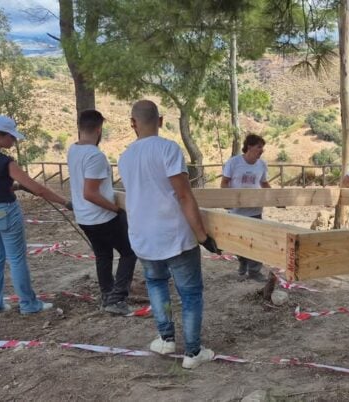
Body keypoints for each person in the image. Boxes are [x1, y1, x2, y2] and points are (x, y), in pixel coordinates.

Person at [118, 100, 221, 370]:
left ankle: (166, 339)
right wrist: (202, 235)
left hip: (142, 236)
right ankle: (193, 352)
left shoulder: (125, 156)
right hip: (175, 237)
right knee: (190, 294)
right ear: (161, 121)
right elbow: (184, 195)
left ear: (133, 123)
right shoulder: (168, 149)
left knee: (156, 285)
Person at [0, 115, 71, 315]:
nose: (13, 141)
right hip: (4, 212)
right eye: (11, 137)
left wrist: (13, 186)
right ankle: (29, 304)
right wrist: (65, 202)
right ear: (0, 136)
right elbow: (38, 189)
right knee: (16, 259)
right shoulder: (6, 161)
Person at [67, 109, 137, 315]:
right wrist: (116, 209)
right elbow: (90, 193)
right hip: (101, 216)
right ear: (99, 129)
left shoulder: (73, 149)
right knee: (129, 252)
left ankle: (107, 295)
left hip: (84, 217)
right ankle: (116, 299)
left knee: (103, 255)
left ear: (80, 128)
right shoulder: (95, 156)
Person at [220, 134, 271, 281]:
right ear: (249, 146)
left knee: (256, 242)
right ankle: (242, 261)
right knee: (238, 242)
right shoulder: (234, 162)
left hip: (255, 210)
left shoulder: (262, 165)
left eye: (263, 147)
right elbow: (224, 183)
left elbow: (264, 184)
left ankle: (254, 272)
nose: (262, 150)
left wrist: (276, 197)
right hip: (236, 211)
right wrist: (227, 200)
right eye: (259, 147)